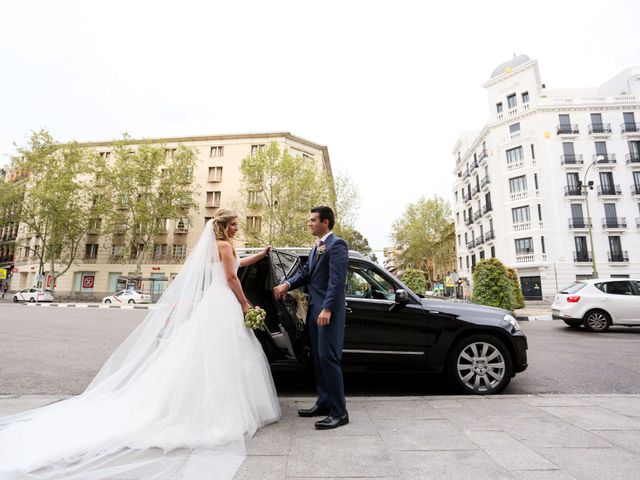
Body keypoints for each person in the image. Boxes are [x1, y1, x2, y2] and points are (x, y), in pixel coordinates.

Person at [0, 210, 280, 480]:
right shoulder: (225, 246)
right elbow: (231, 277)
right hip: (224, 304)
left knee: (203, 354)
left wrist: (260, 254)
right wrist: (245, 304)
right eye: (233, 224)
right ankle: (218, 411)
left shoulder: (213, 247)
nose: (236, 228)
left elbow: (237, 264)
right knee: (222, 355)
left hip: (212, 304)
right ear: (223, 225)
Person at [273, 206, 349, 430]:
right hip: (314, 312)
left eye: (313, 220)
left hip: (328, 314)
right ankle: (324, 402)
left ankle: (339, 412)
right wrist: (287, 283)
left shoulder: (337, 245)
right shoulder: (317, 248)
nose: (309, 223)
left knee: (329, 358)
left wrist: (327, 309)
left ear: (325, 222)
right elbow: (306, 273)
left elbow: (337, 281)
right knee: (318, 358)